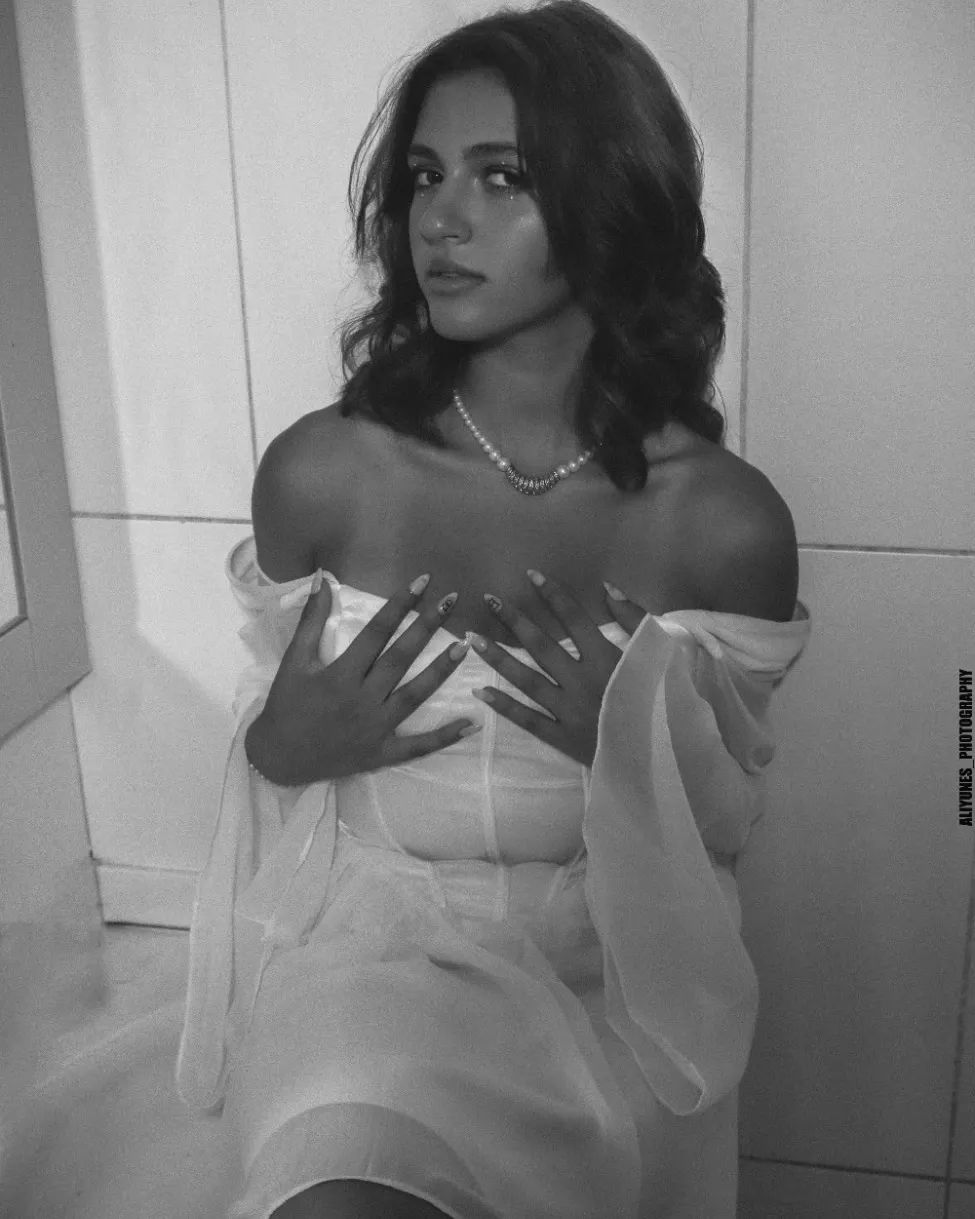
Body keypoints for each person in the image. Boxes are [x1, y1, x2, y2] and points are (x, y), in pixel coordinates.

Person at [176, 2, 811, 1216]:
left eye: (501, 176)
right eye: (424, 176)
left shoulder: (723, 524)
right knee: (338, 1187)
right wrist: (281, 747)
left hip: (612, 983)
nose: (440, 219)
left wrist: (636, 744)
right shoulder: (323, 475)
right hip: (366, 962)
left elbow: (727, 829)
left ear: (612, 198)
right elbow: (272, 762)